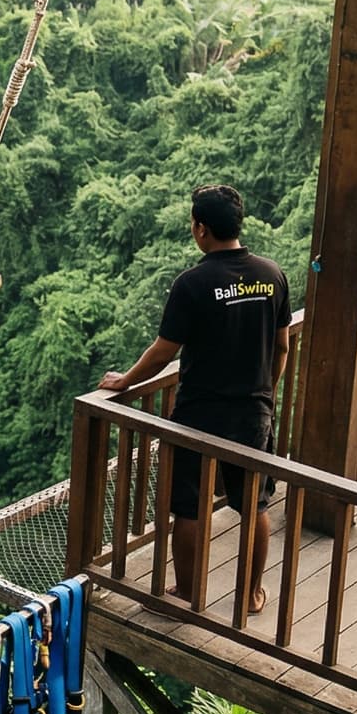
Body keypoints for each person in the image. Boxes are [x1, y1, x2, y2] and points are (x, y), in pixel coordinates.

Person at [99, 184, 290, 614]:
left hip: (198, 415)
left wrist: (126, 380)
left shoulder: (193, 283)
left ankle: (186, 594)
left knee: (189, 505)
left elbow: (164, 351)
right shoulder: (271, 274)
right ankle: (249, 596)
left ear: (200, 229)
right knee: (253, 503)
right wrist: (266, 392)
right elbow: (281, 348)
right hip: (252, 411)